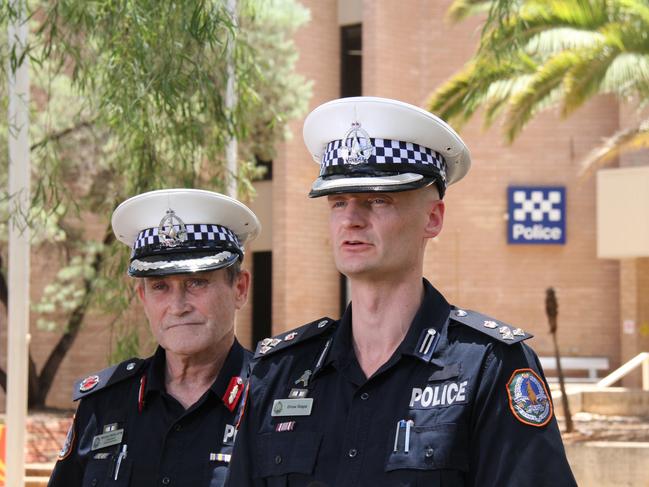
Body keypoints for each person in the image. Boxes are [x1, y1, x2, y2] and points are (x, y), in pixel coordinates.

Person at [227, 97, 577, 486]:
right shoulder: (280, 372)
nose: (351, 219)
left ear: (433, 218)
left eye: (378, 199)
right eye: (338, 201)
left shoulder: (490, 367)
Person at [49, 188, 260, 487]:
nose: (178, 306)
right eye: (160, 286)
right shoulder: (104, 404)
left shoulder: (269, 401)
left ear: (239, 288)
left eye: (197, 282)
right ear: (142, 297)